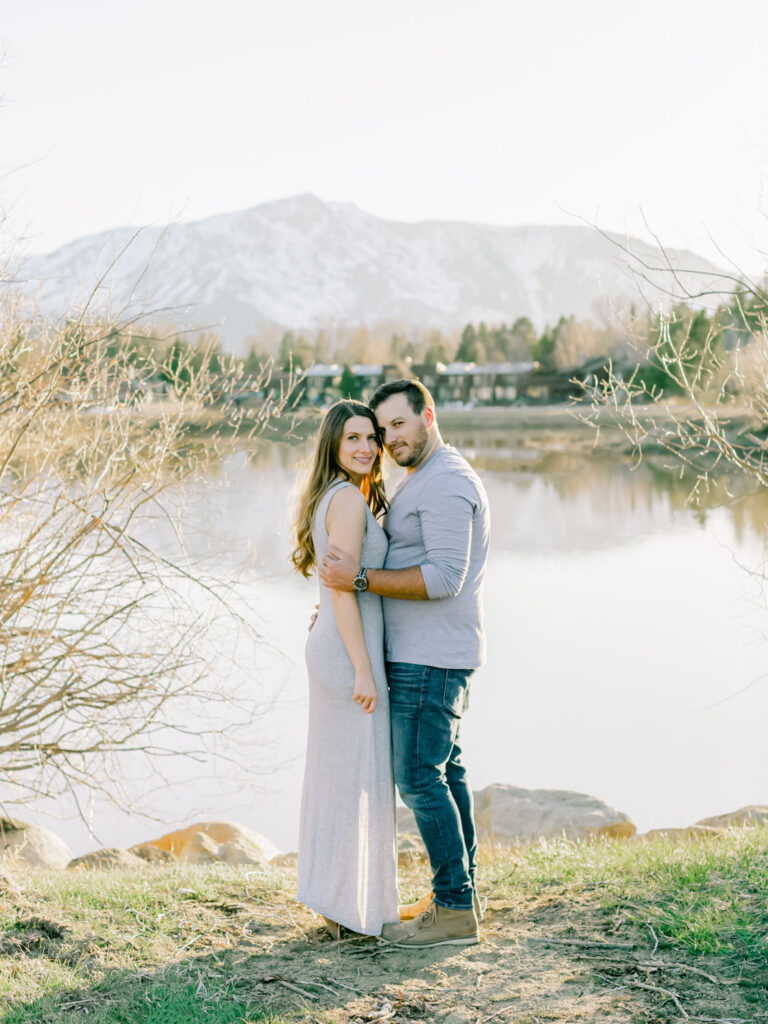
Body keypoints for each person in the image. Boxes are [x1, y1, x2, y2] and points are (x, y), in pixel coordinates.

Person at [319, 379, 490, 948]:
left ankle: (455, 909)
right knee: (446, 773)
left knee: (419, 779)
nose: (389, 439)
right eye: (381, 429)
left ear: (428, 416)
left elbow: (444, 577)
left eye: (397, 424)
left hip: (430, 658)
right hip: (429, 654)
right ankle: (458, 892)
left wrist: (360, 579)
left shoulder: (446, 483)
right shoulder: (424, 478)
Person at [291, 400, 399, 938]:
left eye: (371, 438)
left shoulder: (335, 496)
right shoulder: (350, 502)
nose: (365, 447)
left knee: (338, 777)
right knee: (356, 777)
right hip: (345, 655)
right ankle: (347, 910)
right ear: (334, 443)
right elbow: (340, 589)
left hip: (334, 648)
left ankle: (337, 903)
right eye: (353, 437)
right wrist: (363, 668)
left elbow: (335, 583)